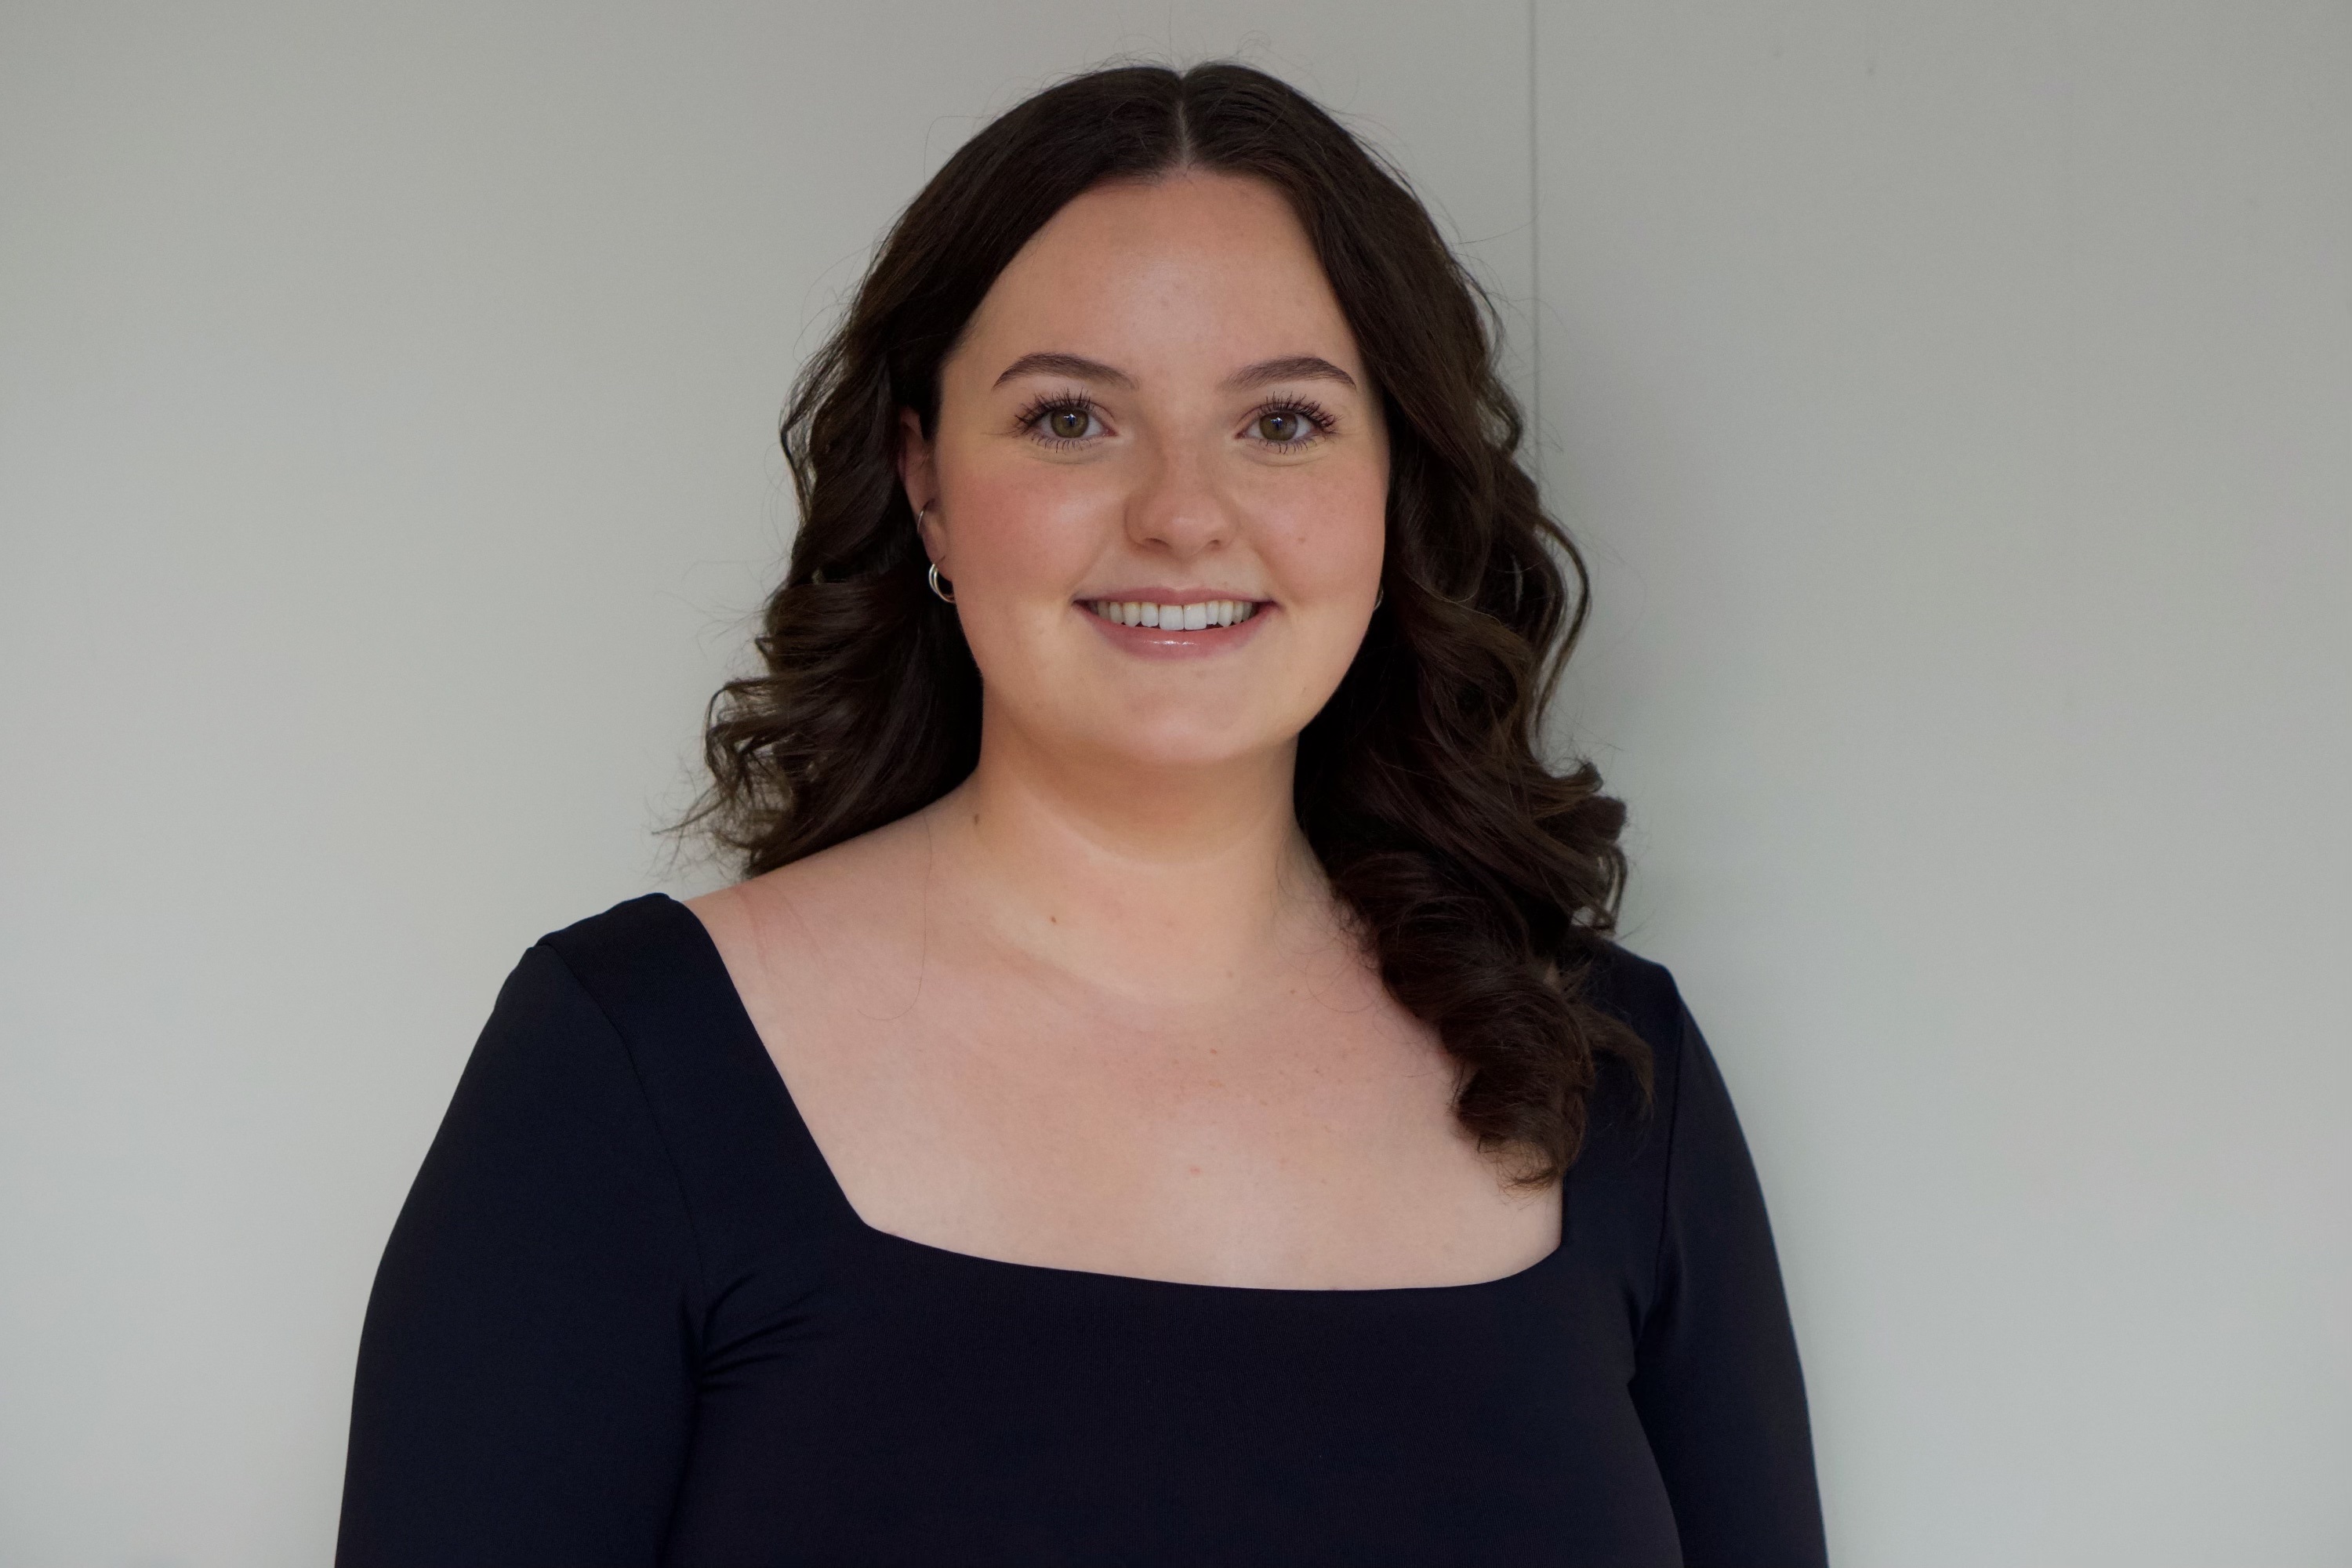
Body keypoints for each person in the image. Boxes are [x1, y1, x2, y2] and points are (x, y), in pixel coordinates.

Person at [335, 60, 1826, 1567]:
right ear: (924, 477)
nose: (1183, 512)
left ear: (1398, 483)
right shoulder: (629, 1066)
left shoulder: (1619, 1089)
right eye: (1068, 419)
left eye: (1286, 423)